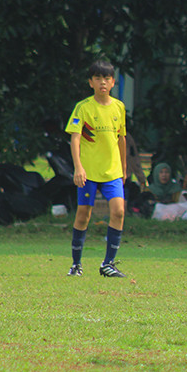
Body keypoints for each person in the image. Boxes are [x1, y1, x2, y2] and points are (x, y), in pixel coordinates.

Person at [65, 60, 128, 278]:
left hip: (112, 172)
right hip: (88, 172)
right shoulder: (83, 107)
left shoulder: (119, 107)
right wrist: (78, 167)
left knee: (119, 211)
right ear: (91, 82)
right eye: (98, 78)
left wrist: (124, 168)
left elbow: (121, 139)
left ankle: (108, 264)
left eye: (107, 78)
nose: (103, 82)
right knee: (83, 215)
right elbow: (75, 138)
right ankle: (76, 264)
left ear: (112, 82)